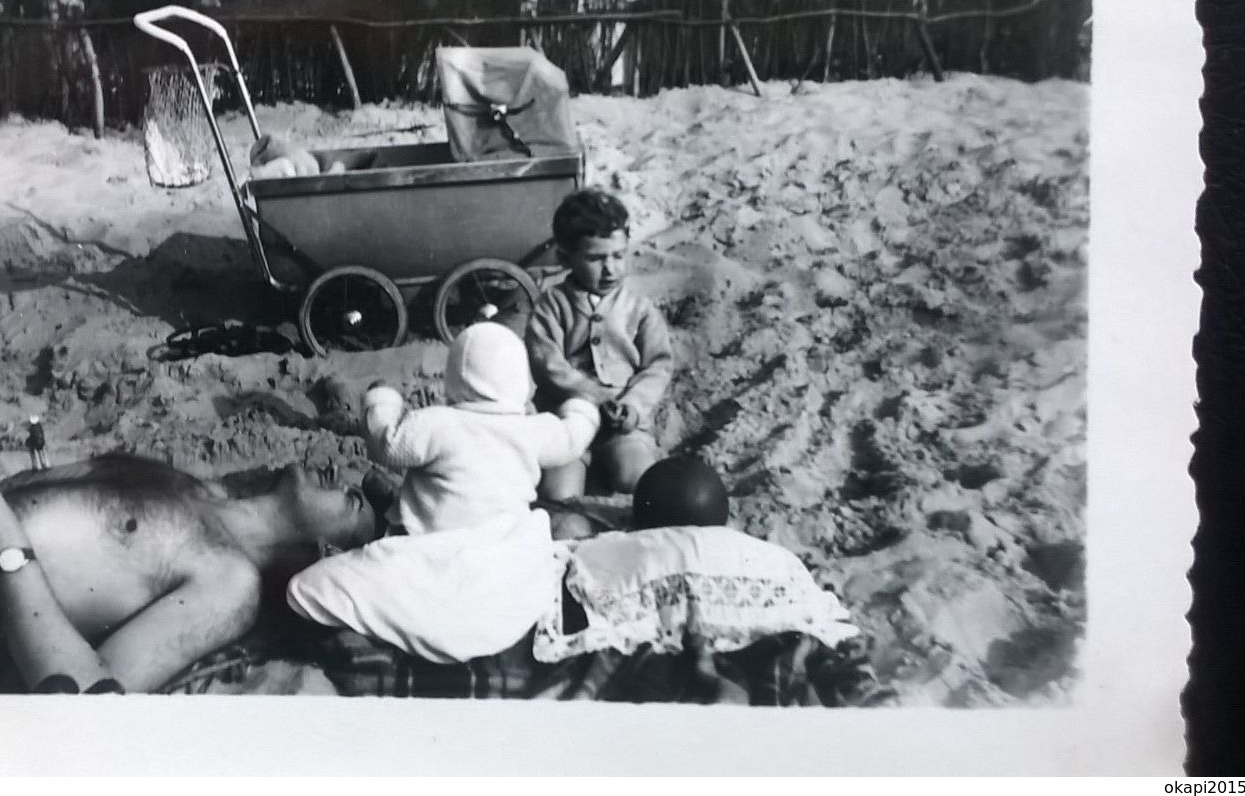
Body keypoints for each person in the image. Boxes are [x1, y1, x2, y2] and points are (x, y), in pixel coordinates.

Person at [0, 445, 377, 693]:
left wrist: (4, 540)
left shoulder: (229, 582)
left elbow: (90, 693)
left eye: (352, 500)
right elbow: (12, 498)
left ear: (325, 553)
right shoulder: (180, 480)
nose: (340, 471)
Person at [286, 322, 599, 663]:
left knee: (306, 589)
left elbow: (386, 443)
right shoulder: (532, 430)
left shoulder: (437, 423)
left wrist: (382, 398)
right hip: (505, 570)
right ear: (521, 384)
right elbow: (573, 437)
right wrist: (583, 407)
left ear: (453, 381)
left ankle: (381, 633)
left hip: (431, 553)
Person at [533, 455, 889, 705]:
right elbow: (820, 619)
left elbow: (585, 589)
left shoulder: (613, 550)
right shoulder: (775, 559)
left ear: (639, 521)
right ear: (724, 518)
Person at [526, 188, 673, 500]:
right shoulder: (552, 305)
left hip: (621, 419)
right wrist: (592, 396)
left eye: (618, 256)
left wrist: (632, 406)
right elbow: (546, 362)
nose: (610, 269)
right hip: (566, 417)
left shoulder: (638, 307)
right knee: (559, 495)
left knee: (638, 480)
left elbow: (658, 365)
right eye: (595, 259)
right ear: (566, 258)